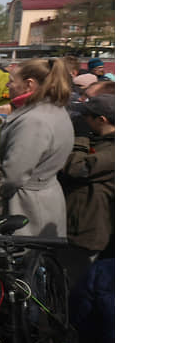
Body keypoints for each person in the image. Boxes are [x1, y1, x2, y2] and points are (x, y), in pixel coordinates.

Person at [0, 58, 74, 237]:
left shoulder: (34, 120)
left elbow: (13, 175)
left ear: (29, 84)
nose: (8, 85)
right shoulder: (52, 109)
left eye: (11, 80)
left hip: (27, 208)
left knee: (25, 260)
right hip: (43, 199)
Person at [59, 94, 115, 287]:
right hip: (75, 225)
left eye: (87, 117)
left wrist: (80, 139)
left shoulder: (113, 151)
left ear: (102, 120)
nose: (83, 121)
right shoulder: (101, 141)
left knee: (75, 286)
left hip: (87, 231)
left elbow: (78, 168)